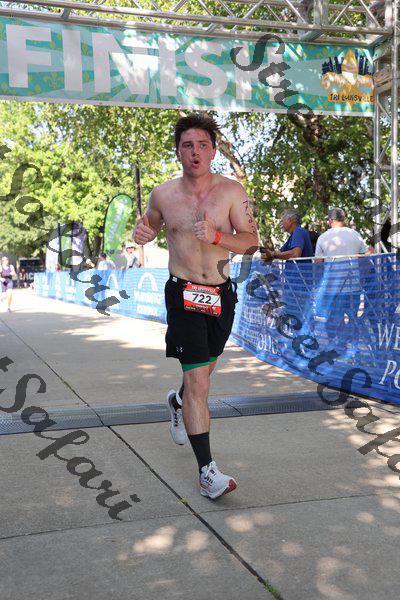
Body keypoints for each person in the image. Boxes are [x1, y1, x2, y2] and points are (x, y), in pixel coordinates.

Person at [134, 113, 258, 499]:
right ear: (178, 152)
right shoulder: (162, 195)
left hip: (221, 296)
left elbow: (251, 242)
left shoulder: (232, 191)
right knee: (200, 383)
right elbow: (148, 227)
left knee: (200, 377)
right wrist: (142, 232)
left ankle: (177, 401)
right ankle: (207, 472)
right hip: (183, 294)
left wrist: (218, 236)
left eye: (203, 145)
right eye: (188, 145)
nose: (195, 152)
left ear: (214, 151)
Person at [314, 207, 371, 348]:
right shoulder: (355, 235)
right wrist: (361, 280)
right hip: (353, 286)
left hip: (332, 287)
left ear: (330, 221)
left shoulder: (323, 237)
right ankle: (354, 347)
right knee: (353, 318)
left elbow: (318, 264)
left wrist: (319, 285)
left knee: (333, 318)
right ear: (344, 220)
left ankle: (336, 346)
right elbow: (365, 259)